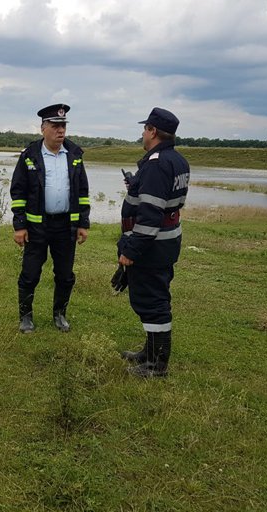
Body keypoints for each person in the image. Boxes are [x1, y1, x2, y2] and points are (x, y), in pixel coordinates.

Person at [118, 107, 190, 378]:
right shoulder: (177, 160)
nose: (142, 133)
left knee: (152, 301)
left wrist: (131, 250)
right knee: (154, 297)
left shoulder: (157, 163)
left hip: (152, 245)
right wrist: (137, 185)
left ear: (152, 131)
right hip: (165, 242)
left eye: (145, 128)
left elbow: (150, 215)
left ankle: (156, 365)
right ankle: (148, 353)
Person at [10, 104, 90, 333]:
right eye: (55, 126)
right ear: (43, 128)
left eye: (63, 125)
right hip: (37, 227)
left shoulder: (74, 155)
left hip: (66, 226)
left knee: (65, 275)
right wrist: (20, 225)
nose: (60, 130)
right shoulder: (29, 156)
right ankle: (26, 317)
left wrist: (83, 223)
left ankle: (60, 314)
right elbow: (18, 192)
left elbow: (82, 192)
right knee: (30, 273)